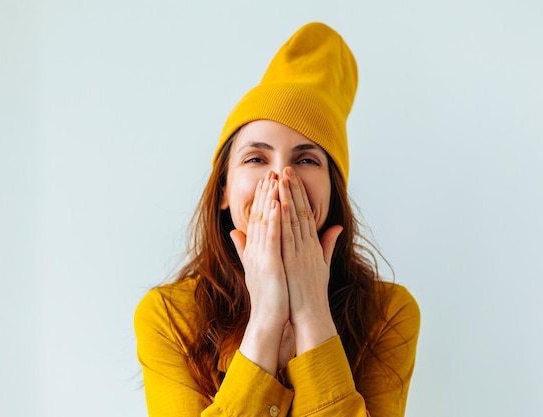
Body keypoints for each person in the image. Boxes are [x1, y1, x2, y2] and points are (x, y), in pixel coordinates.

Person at [134, 22, 421, 417]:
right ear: (223, 190)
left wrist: (311, 312)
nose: (281, 179)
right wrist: (267, 318)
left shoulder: (388, 312)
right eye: (256, 158)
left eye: (306, 160)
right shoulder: (168, 316)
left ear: (334, 193)